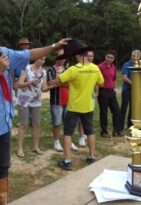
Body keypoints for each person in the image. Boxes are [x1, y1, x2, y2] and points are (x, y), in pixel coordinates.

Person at [0, 18, 69, 205]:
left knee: (3, 167)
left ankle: (2, 201)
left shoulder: (0, 53)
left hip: (4, 123)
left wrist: (53, 46)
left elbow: (29, 54)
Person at [48, 39, 104, 171]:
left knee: (68, 134)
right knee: (90, 132)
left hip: (74, 107)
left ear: (78, 55)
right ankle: (91, 156)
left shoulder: (73, 69)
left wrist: (51, 81)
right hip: (88, 106)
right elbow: (101, 83)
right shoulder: (95, 68)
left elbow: (57, 81)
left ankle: (67, 160)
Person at [46, 50, 79, 151]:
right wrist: (63, 81)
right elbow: (50, 84)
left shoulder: (68, 69)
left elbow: (71, 84)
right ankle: (56, 141)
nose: (63, 59)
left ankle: (69, 141)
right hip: (56, 100)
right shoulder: (51, 70)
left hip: (68, 100)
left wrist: (59, 81)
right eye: (60, 57)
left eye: (64, 57)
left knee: (68, 123)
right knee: (56, 122)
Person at [15, 57, 48, 158]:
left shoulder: (44, 72)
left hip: (36, 100)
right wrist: (29, 82)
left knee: (37, 124)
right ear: (35, 59)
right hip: (24, 99)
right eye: (40, 59)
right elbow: (18, 84)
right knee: (23, 124)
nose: (42, 61)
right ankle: (19, 148)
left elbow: (43, 88)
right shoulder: (26, 68)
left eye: (44, 59)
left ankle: (35, 147)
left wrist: (53, 85)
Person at [97, 50, 123, 137]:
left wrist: (115, 88)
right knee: (104, 112)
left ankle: (116, 130)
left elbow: (114, 79)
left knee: (117, 111)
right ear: (105, 57)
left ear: (114, 59)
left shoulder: (113, 67)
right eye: (108, 57)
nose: (109, 59)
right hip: (102, 91)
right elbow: (96, 81)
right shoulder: (99, 67)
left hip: (111, 91)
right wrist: (96, 93)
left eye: (111, 58)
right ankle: (104, 131)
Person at [120, 50, 141, 131]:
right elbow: (124, 78)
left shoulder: (139, 65)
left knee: (133, 109)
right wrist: (135, 84)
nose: (133, 57)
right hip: (127, 90)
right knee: (124, 108)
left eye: (135, 56)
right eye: (132, 55)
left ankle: (130, 126)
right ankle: (120, 127)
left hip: (135, 91)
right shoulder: (126, 65)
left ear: (139, 57)